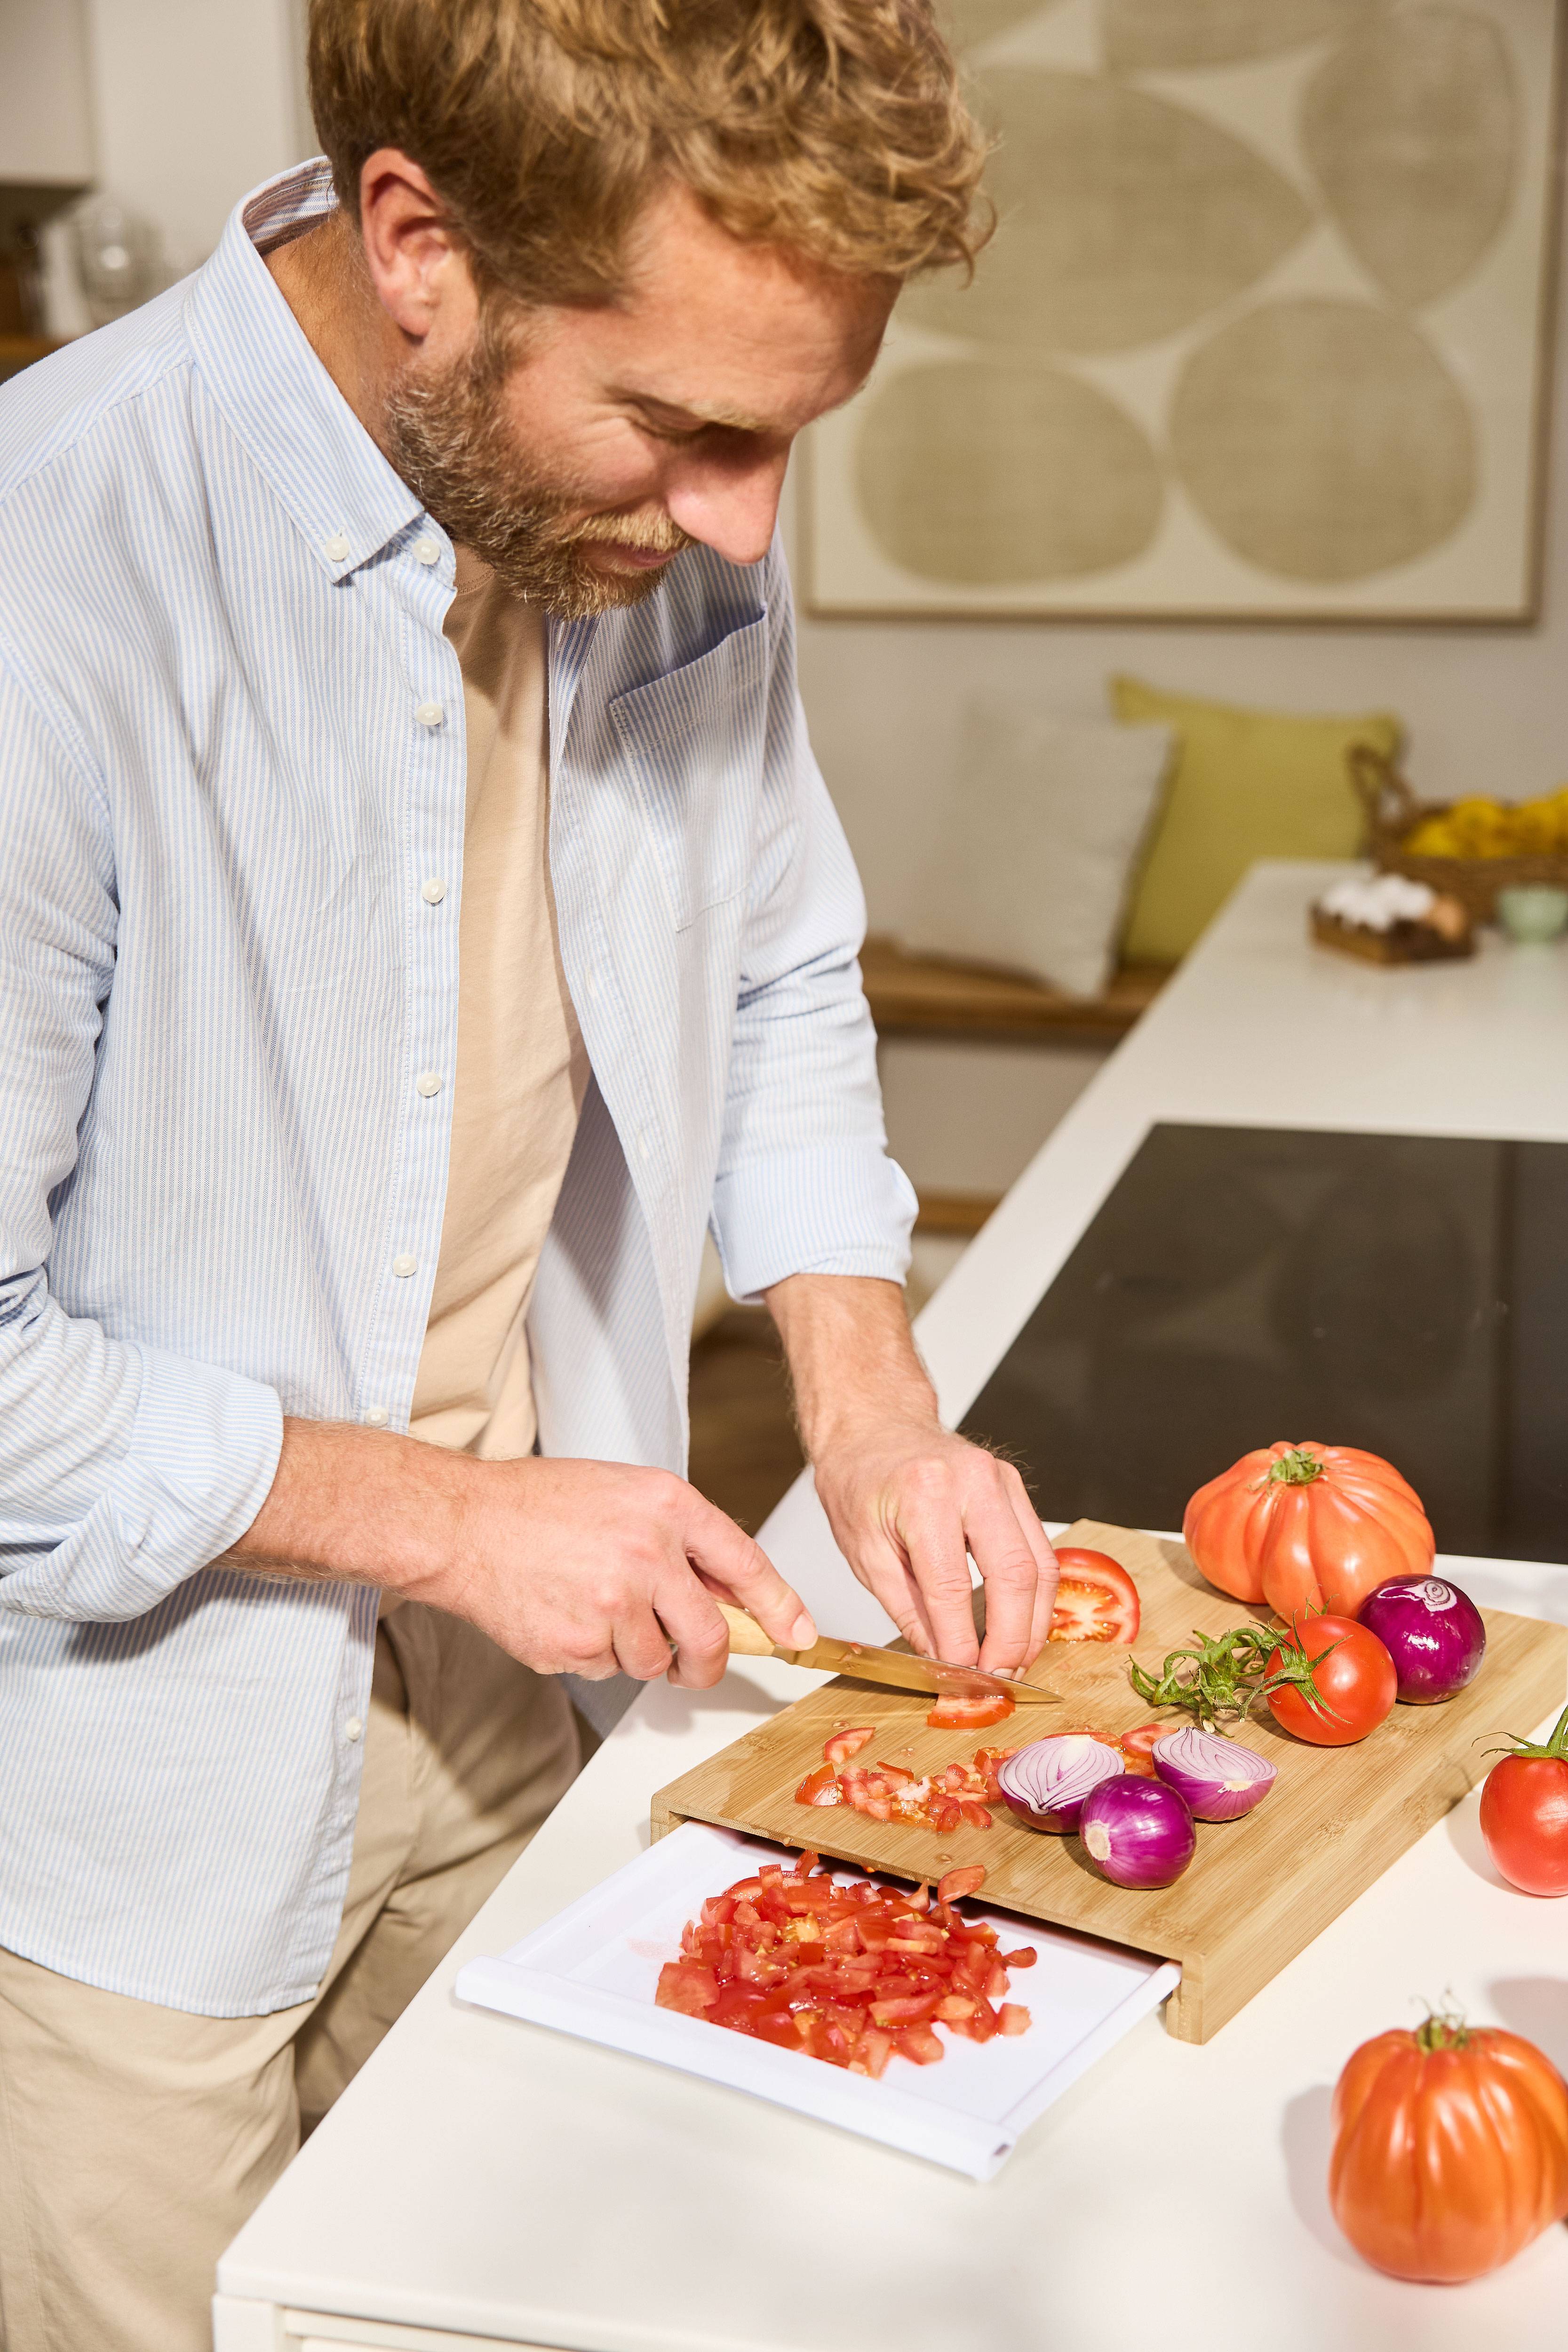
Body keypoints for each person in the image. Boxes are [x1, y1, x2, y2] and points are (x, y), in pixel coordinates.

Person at [0, 3, 1059, 2345]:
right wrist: (459, 1516)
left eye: (792, 437)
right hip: (111, 1784)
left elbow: (773, 949)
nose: (745, 526)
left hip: (513, 1690)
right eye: (689, 428)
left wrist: (862, 1380)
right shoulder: (43, 581)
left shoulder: (637, 502)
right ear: (419, 243)